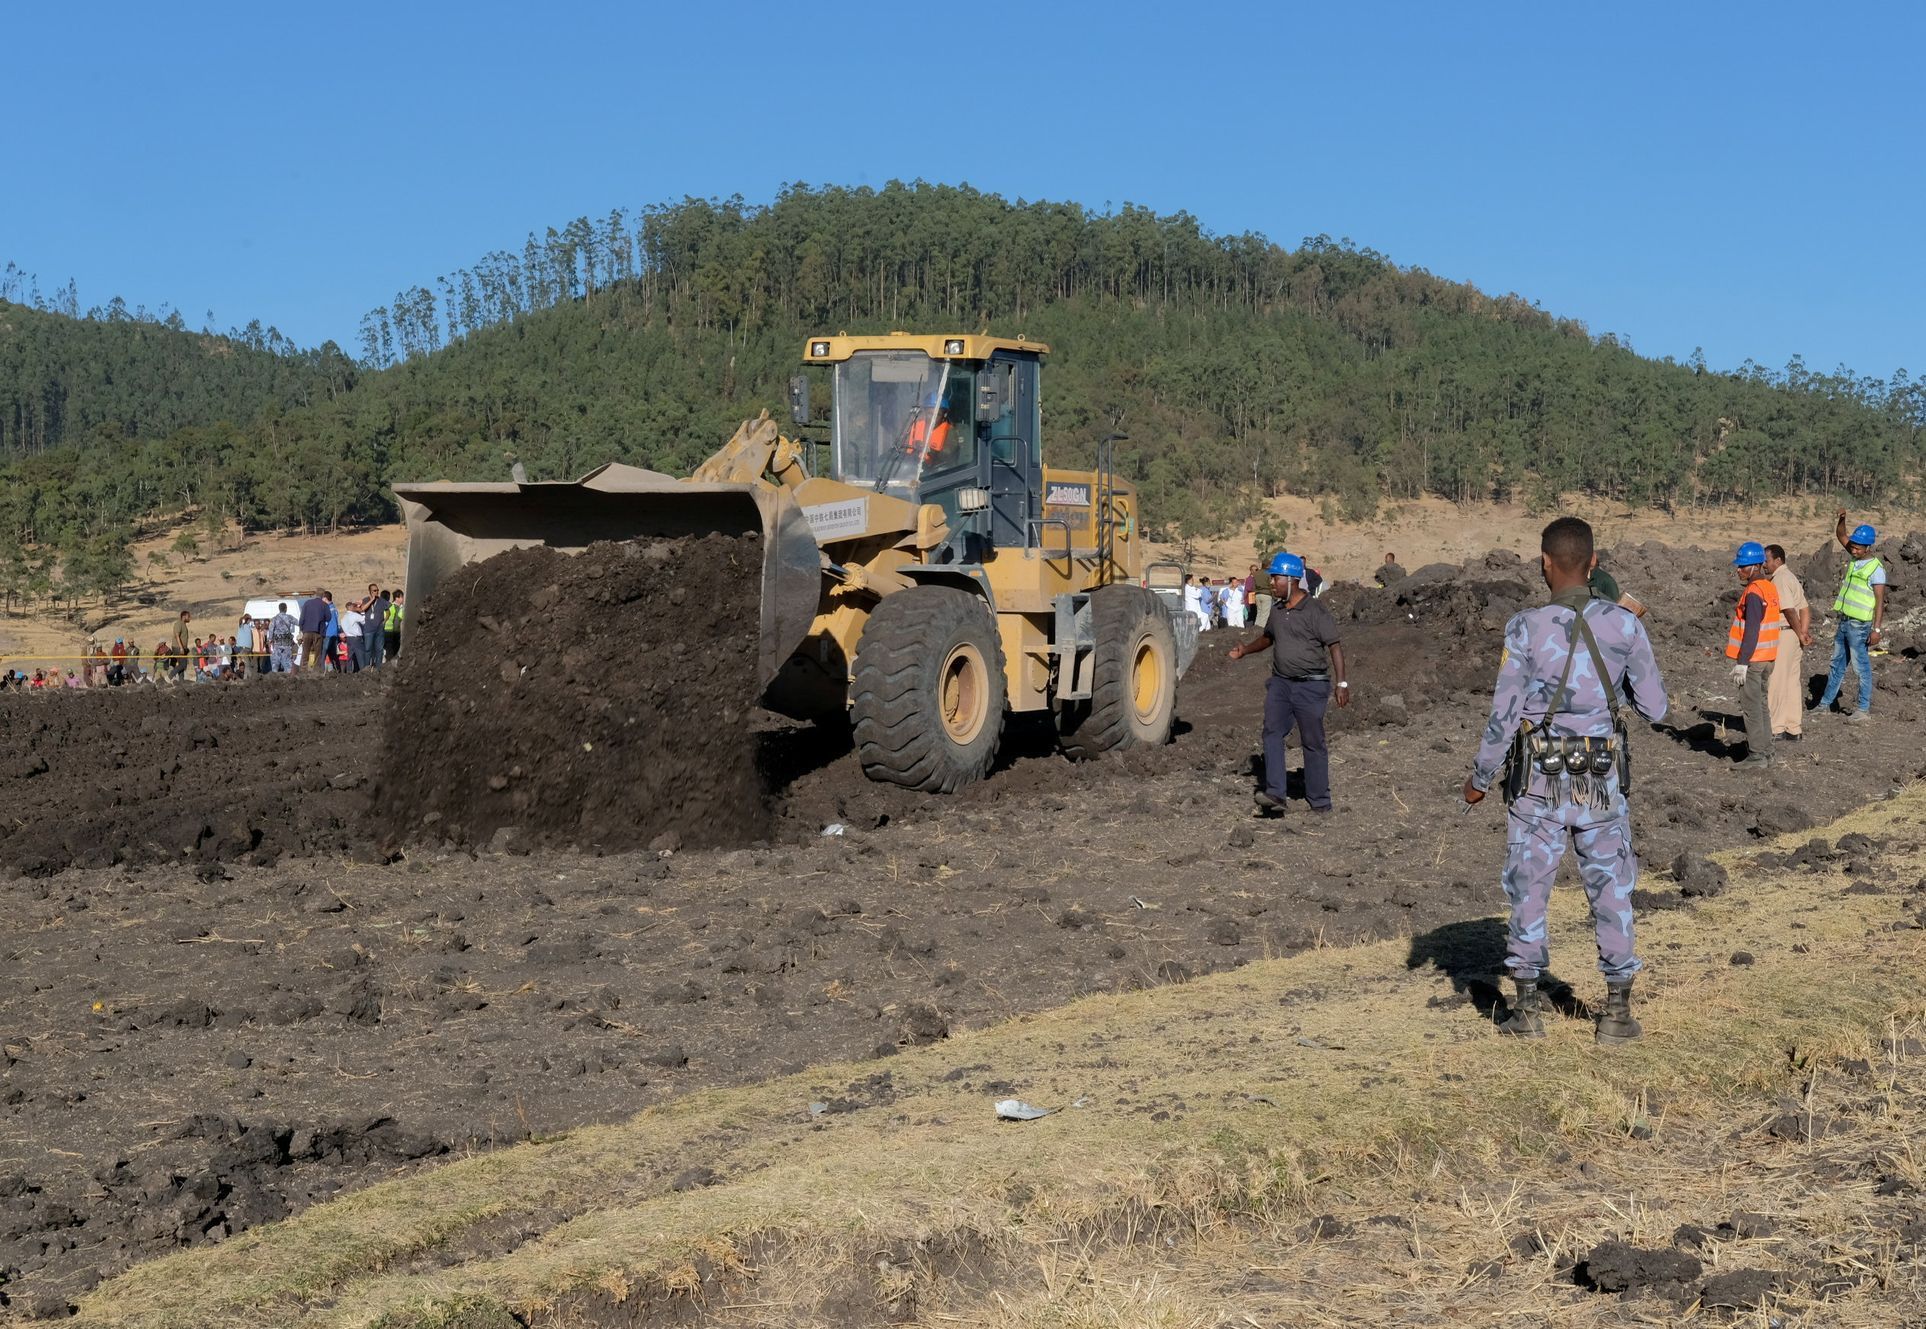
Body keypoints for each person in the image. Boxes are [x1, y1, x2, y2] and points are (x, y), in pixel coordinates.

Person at [1463, 517, 1668, 1044]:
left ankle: (1527, 1010)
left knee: (1530, 888)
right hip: (1600, 780)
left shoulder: (1524, 628)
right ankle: (1617, 1013)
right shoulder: (1626, 626)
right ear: (1594, 562)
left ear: (1544, 563)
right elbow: (1656, 708)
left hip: (1538, 781)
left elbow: (1503, 714)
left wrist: (1481, 777)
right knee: (1611, 889)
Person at [1227, 551, 1349, 818]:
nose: (1271, 583)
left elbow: (1334, 646)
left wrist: (1341, 682)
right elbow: (1268, 638)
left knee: (1312, 741)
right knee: (1271, 732)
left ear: (1292, 580)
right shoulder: (1277, 611)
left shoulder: (1316, 611)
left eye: (1275, 578)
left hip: (1311, 686)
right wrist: (1246, 650)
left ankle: (1320, 801)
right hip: (1281, 684)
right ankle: (1276, 794)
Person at [1815, 512, 1885, 722]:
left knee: (1860, 667)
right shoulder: (1856, 557)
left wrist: (1877, 630)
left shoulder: (1876, 569)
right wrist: (1842, 519)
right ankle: (1825, 704)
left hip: (1860, 626)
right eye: (1852, 546)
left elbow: (1880, 601)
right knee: (1836, 664)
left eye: (1857, 547)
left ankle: (1862, 710)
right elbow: (1841, 534)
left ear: (1868, 548)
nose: (1853, 549)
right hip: (1844, 622)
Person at [1726, 542, 1781, 766]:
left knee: (1751, 708)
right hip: (1767, 657)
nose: (1738, 570)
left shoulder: (1754, 592)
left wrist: (1742, 663)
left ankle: (1757, 755)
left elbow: (1751, 630)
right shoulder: (1768, 587)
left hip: (1754, 660)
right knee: (1761, 706)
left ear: (1756, 566)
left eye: (1743, 566)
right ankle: (1767, 752)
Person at [1762, 545, 1811, 742]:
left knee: (1777, 681)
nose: (1764, 564)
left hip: (1784, 633)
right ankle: (1794, 727)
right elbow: (1805, 608)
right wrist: (1803, 633)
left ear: (1778, 560)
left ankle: (1776, 727)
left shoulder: (1780, 580)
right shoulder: (1791, 577)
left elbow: (1789, 610)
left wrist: (1800, 633)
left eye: (1767, 560)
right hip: (1794, 636)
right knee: (1792, 681)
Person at [297, 591, 328, 671]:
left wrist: (301, 629)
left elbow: (302, 618)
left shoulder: (307, 603)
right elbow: (328, 617)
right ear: (323, 596)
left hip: (307, 632)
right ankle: (316, 671)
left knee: (305, 652)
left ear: (315, 595)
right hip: (318, 632)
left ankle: (303, 670)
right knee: (318, 653)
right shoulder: (324, 604)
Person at [270, 601, 300, 673]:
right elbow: (299, 623)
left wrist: (270, 640)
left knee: (275, 664)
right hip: (286, 644)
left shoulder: (274, 619)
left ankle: (274, 680)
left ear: (279, 609)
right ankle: (288, 681)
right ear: (286, 609)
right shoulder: (289, 617)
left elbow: (270, 631)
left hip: (277, 644)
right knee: (288, 664)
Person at [342, 599, 366, 672]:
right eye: (354, 606)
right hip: (356, 639)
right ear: (351, 607)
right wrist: (361, 612)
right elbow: (364, 621)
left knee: (350, 657)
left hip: (349, 638)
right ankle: (363, 671)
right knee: (360, 656)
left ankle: (349, 673)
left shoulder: (343, 617)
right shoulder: (354, 615)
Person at [386, 590, 405, 659]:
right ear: (397, 598)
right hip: (393, 632)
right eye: (401, 597)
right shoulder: (395, 607)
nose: (403, 599)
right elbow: (397, 620)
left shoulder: (394, 607)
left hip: (392, 631)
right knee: (393, 650)